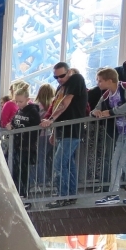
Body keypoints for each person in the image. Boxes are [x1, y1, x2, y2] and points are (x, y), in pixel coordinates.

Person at [92, 67, 126, 206]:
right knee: (115, 161)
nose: (98, 83)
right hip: (122, 132)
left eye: (100, 81)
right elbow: (96, 109)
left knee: (125, 161)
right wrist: (96, 112)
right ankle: (113, 194)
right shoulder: (106, 95)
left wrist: (111, 112)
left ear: (110, 80)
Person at [43, 62, 88, 207]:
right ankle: (69, 196)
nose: (59, 79)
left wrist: (50, 120)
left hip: (72, 130)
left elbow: (65, 103)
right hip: (64, 131)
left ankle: (63, 196)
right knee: (68, 164)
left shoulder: (76, 79)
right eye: (56, 77)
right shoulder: (60, 87)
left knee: (59, 163)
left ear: (68, 72)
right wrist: (54, 132)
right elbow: (59, 106)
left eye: (62, 75)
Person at [8, 83, 42, 206]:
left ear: (28, 100)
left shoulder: (33, 112)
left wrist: (29, 143)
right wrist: (10, 125)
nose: (18, 104)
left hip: (26, 148)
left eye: (20, 102)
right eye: (16, 102)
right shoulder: (19, 111)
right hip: (17, 146)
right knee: (16, 172)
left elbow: (36, 130)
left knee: (23, 173)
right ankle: (18, 195)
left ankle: (24, 196)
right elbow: (13, 122)